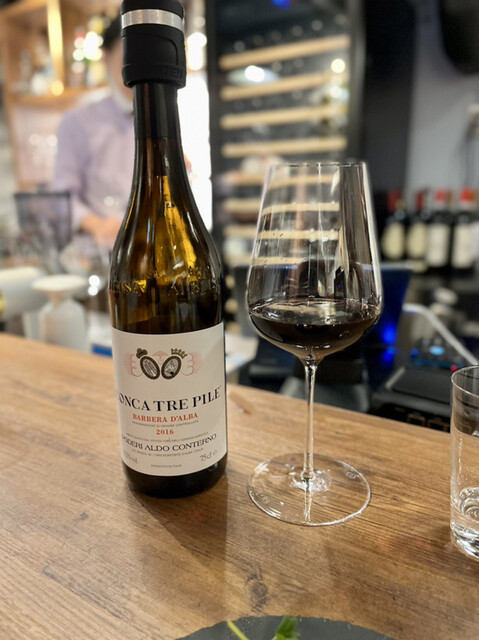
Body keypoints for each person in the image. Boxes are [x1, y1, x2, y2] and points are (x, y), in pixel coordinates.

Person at [52, 17, 134, 248]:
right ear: (106, 58)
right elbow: (63, 198)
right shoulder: (77, 122)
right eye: (129, 58)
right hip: (104, 250)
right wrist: (97, 225)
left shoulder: (163, 119)